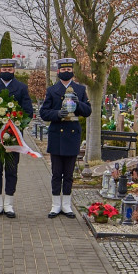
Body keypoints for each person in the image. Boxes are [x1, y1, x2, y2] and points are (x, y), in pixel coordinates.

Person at [0, 58, 35, 218]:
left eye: (9, 70)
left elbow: (28, 112)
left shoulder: (21, 88)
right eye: (4, 69)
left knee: (11, 171)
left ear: (13, 70)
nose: (7, 72)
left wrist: (16, 121)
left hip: (13, 138)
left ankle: (9, 204)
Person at [39, 57, 91, 218]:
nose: (66, 72)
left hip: (72, 135)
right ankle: (55, 205)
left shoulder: (80, 89)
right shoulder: (52, 90)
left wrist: (78, 103)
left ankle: (67, 205)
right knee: (56, 173)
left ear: (72, 71)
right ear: (58, 71)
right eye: (63, 69)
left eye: (68, 69)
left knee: (68, 174)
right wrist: (56, 114)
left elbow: (88, 111)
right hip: (56, 135)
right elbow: (43, 112)